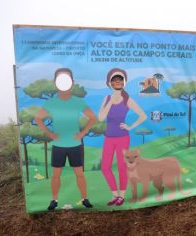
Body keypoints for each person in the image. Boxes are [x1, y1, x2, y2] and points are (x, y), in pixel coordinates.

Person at [35, 68, 96, 211]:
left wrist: (83, 133)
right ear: (55, 83)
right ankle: (54, 200)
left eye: (66, 79)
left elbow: (92, 117)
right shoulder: (51, 102)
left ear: (72, 82)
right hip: (58, 145)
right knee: (56, 175)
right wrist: (49, 133)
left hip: (75, 145)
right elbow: (38, 118)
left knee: (79, 174)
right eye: (60, 80)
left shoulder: (78, 101)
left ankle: (85, 199)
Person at [98, 68, 147, 206]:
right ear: (110, 83)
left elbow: (143, 115)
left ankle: (122, 196)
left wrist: (130, 127)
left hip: (123, 138)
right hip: (109, 137)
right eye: (114, 80)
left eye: (120, 80)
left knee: (121, 167)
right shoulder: (106, 98)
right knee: (105, 167)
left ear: (124, 82)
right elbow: (101, 118)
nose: (117, 82)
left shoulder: (127, 99)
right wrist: (110, 102)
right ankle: (115, 194)